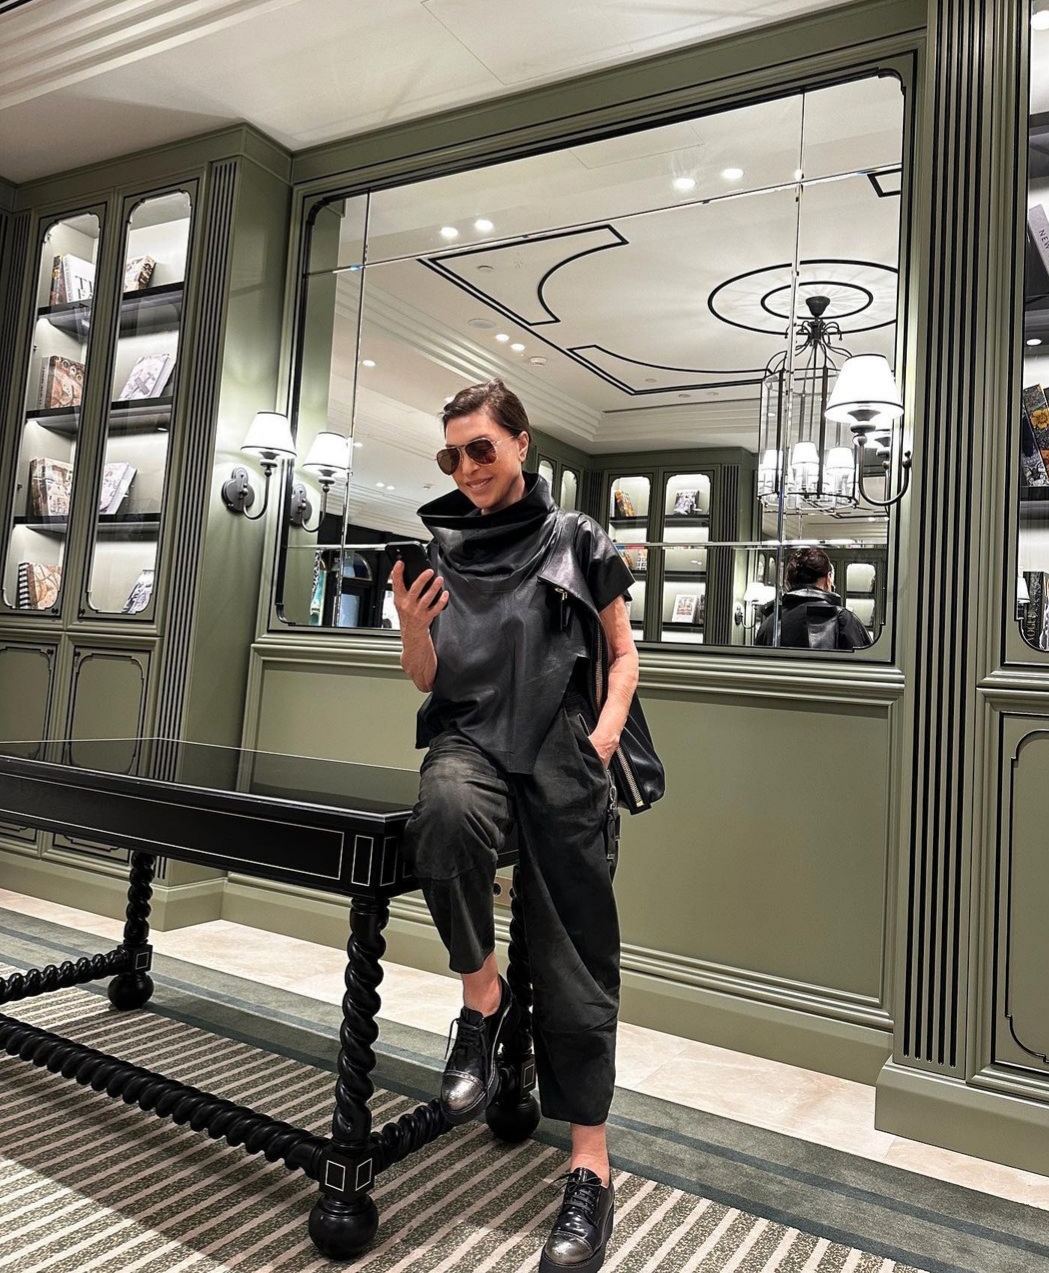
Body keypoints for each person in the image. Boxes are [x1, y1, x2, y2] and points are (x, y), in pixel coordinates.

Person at [392, 378, 662, 1273]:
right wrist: (411, 628)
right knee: (441, 816)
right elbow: (426, 677)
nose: (467, 466)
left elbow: (621, 654)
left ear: (520, 443)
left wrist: (604, 734)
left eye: (481, 447)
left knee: (572, 951)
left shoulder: (577, 537)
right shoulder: (437, 548)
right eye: (452, 454)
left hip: (562, 750)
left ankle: (589, 1163)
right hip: (469, 739)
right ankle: (482, 993)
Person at [754, 546, 873, 649]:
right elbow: (866, 663)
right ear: (828, 579)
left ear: (787, 582)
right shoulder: (843, 620)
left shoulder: (770, 622)